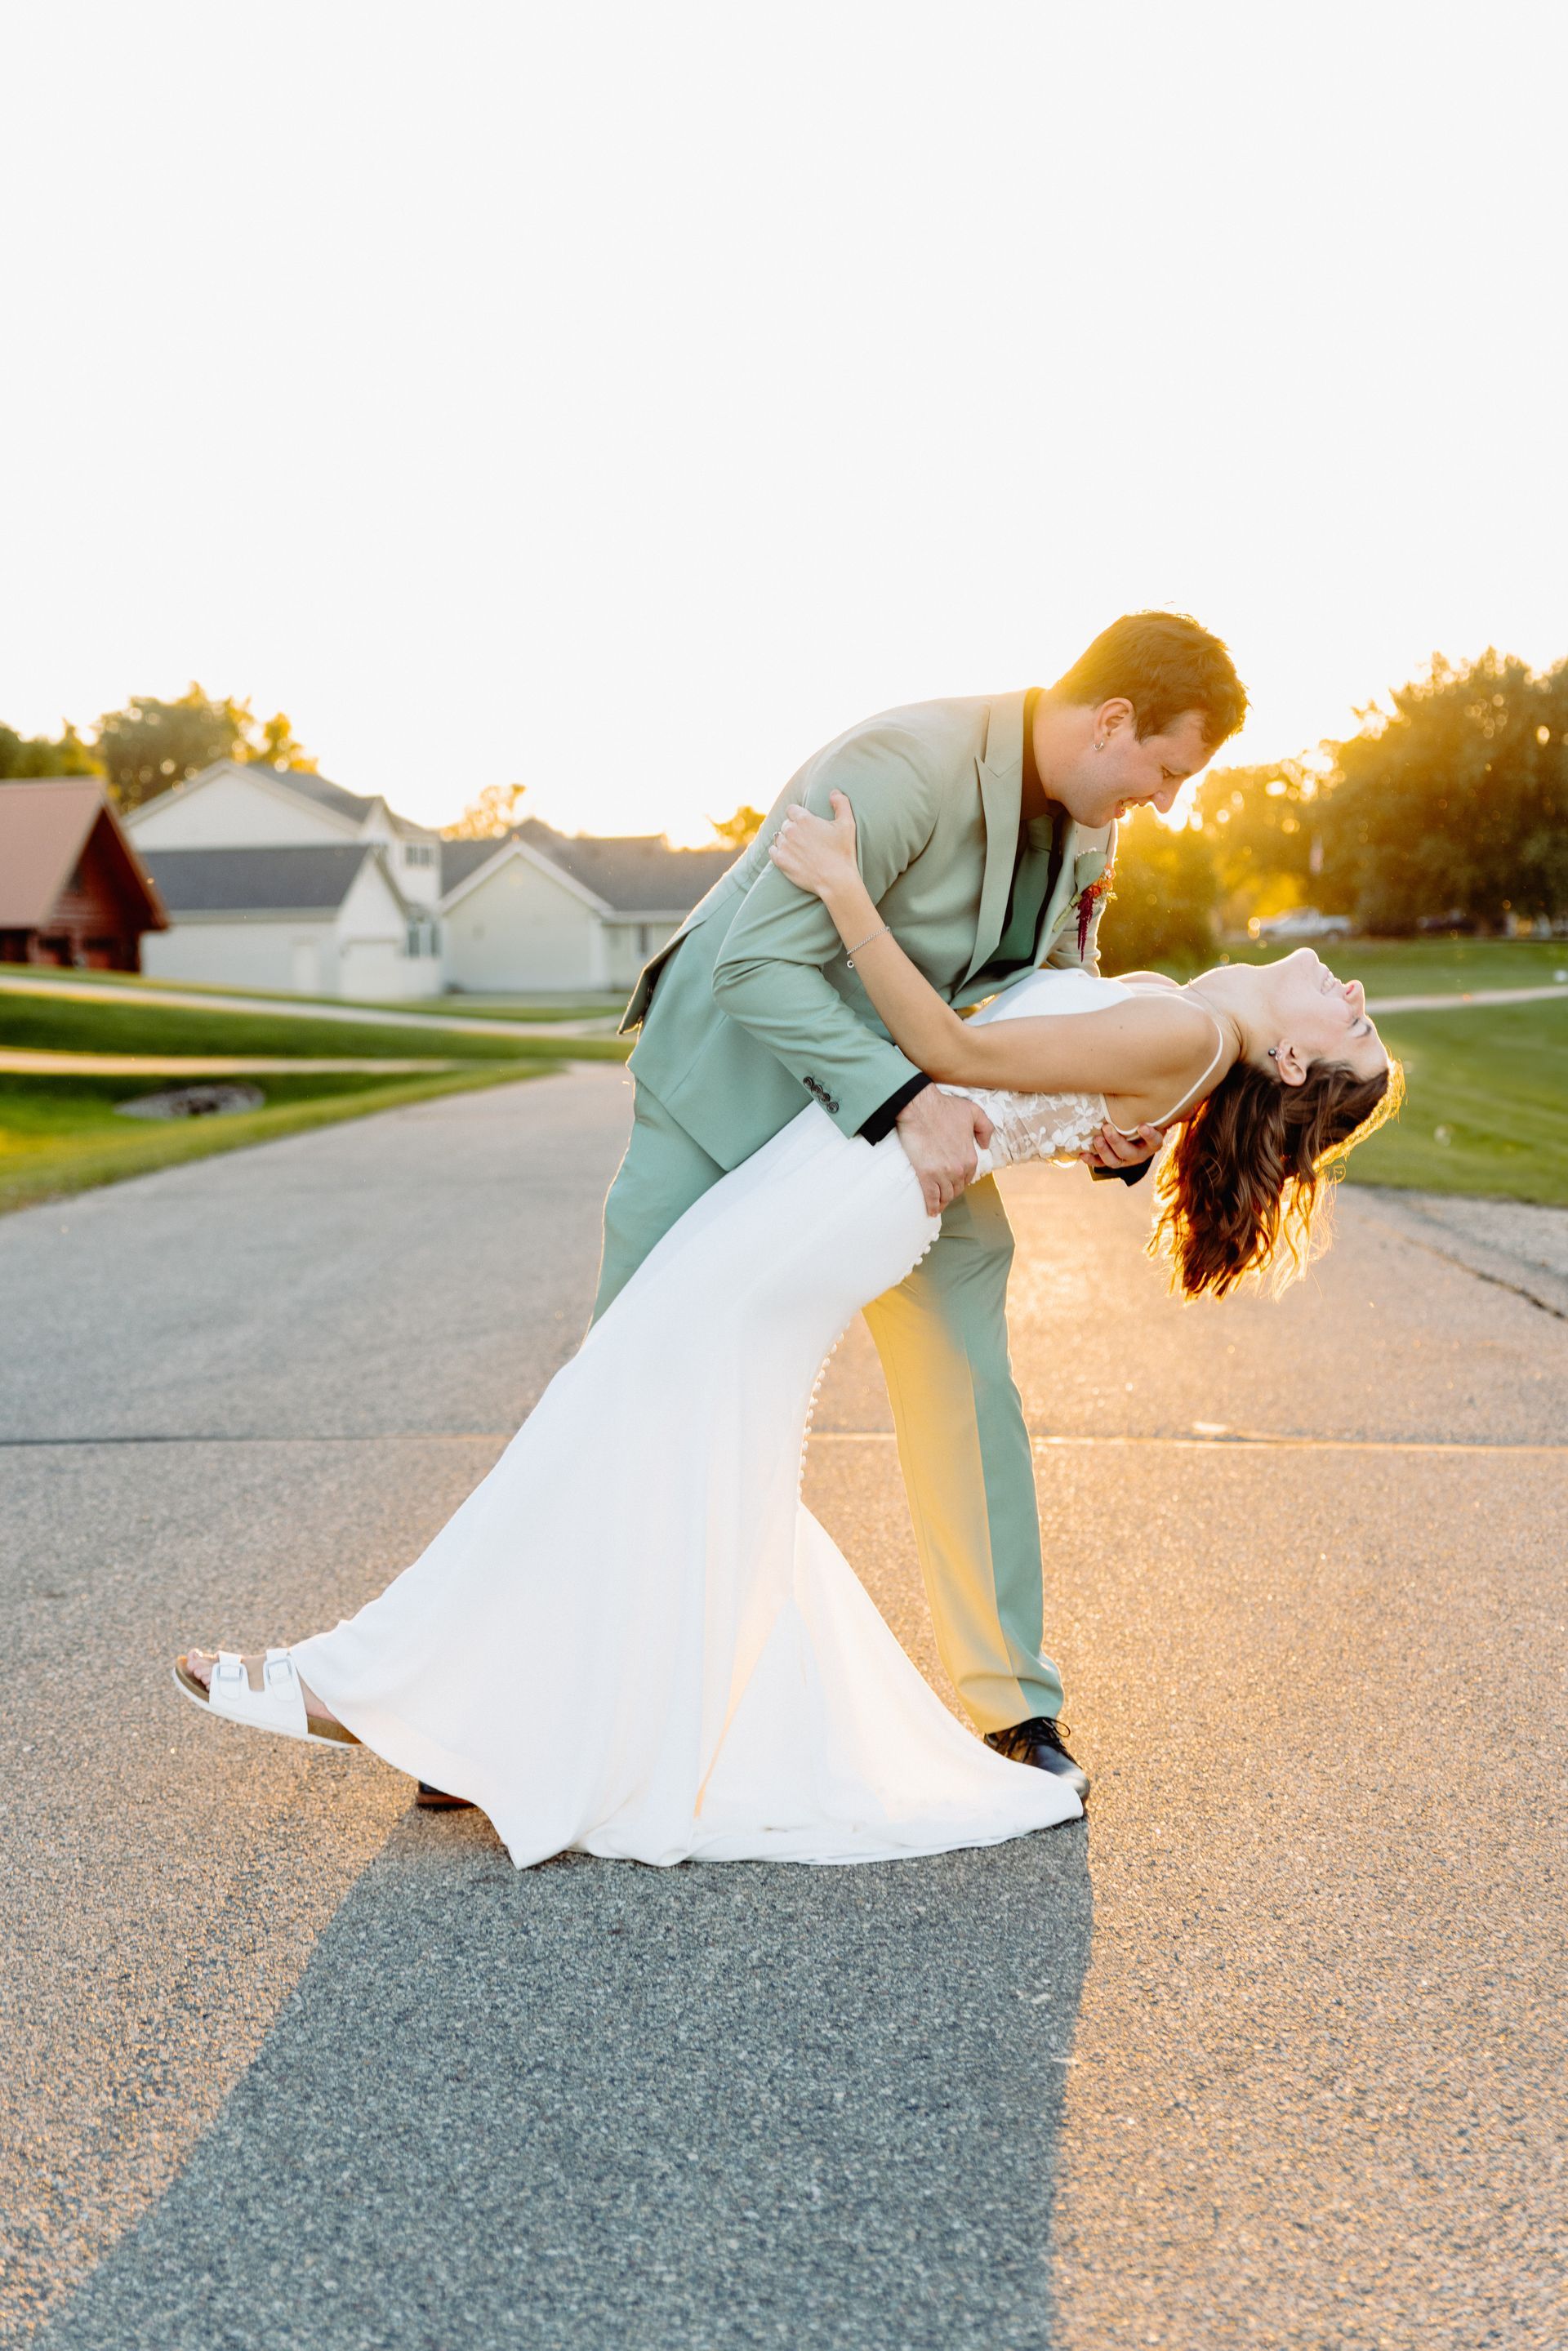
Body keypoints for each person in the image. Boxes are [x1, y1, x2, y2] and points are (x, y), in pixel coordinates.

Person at [173, 634, 1398, 1869]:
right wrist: (906, 1097)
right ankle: (497, 1714)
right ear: (1113, 720)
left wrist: (1108, 1123)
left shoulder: (1090, 822)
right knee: (625, 1395)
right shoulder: (902, 765)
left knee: (966, 1382)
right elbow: (759, 959)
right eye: (1164, 771)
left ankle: (1011, 1708)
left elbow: (1055, 985)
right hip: (741, 1095)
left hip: (908, 1137)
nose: (1164, 802)